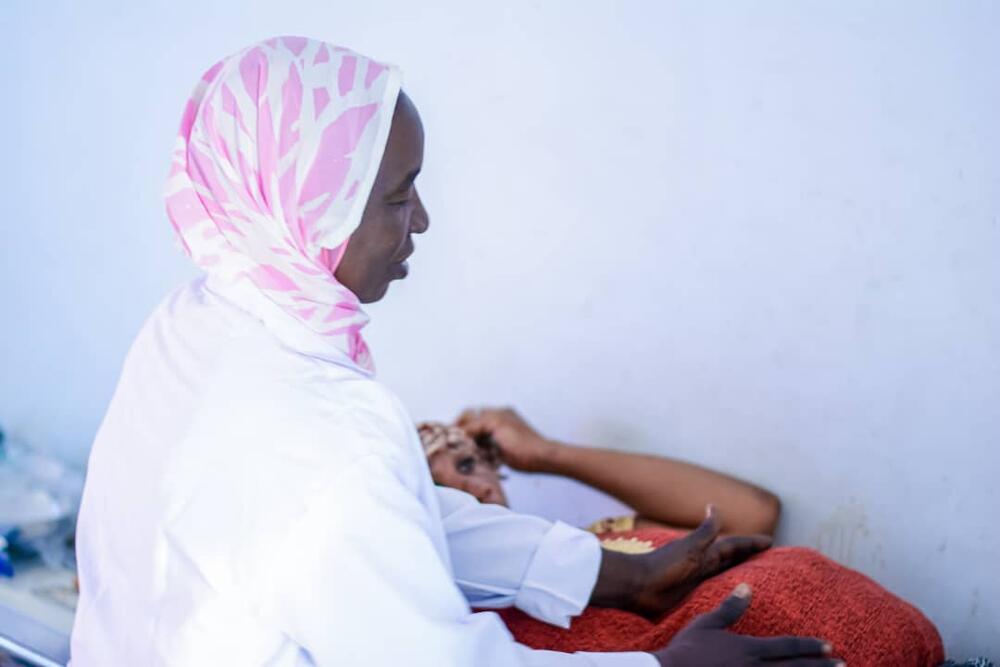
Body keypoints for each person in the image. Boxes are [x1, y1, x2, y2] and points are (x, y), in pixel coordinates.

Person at [70, 37, 843, 667]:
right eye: (398, 197)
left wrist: (614, 573)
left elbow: (385, 517)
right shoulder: (324, 438)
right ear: (308, 213)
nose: (424, 221)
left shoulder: (196, 322)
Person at [419, 410, 781, 536]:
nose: (471, 490)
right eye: (438, 489)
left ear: (491, 464)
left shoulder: (596, 552)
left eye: (466, 465)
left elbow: (752, 516)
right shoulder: (442, 620)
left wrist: (548, 454)